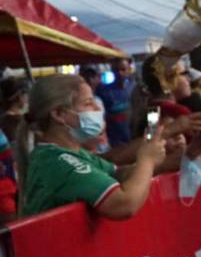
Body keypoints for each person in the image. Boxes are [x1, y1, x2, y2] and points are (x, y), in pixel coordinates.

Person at [17, 74, 167, 219]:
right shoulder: (59, 162)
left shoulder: (74, 153)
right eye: (88, 103)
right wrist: (147, 160)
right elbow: (124, 205)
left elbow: (118, 174)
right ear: (58, 114)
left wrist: (147, 158)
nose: (97, 108)